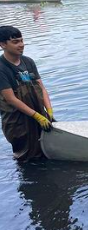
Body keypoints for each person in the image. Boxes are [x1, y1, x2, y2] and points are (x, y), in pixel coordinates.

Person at [0, 26, 54, 161]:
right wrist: (37, 117)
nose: (21, 45)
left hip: (38, 115)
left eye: (22, 40)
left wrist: (49, 111)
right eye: (16, 42)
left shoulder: (28, 61)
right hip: (18, 121)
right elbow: (11, 99)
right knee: (25, 158)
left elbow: (41, 88)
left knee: (44, 152)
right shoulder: (2, 68)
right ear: (2, 45)